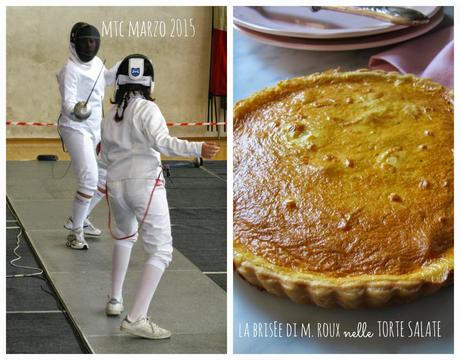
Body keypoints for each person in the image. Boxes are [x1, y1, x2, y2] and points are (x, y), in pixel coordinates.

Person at [99, 54, 220, 339]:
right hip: (143, 185)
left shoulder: (109, 116)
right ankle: (136, 317)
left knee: (125, 237)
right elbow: (161, 142)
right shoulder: (147, 110)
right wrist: (197, 148)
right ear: (149, 83)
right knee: (161, 251)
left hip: (116, 185)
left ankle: (115, 300)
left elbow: (103, 159)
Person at [57, 22, 117, 250]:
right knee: (89, 178)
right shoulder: (69, 69)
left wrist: (126, 65)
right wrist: (76, 109)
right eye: (85, 42)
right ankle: (75, 233)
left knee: (105, 176)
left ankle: (78, 219)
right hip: (74, 127)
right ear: (75, 44)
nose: (90, 46)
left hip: (95, 127)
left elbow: (108, 79)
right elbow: (67, 102)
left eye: (93, 41)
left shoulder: (98, 65)